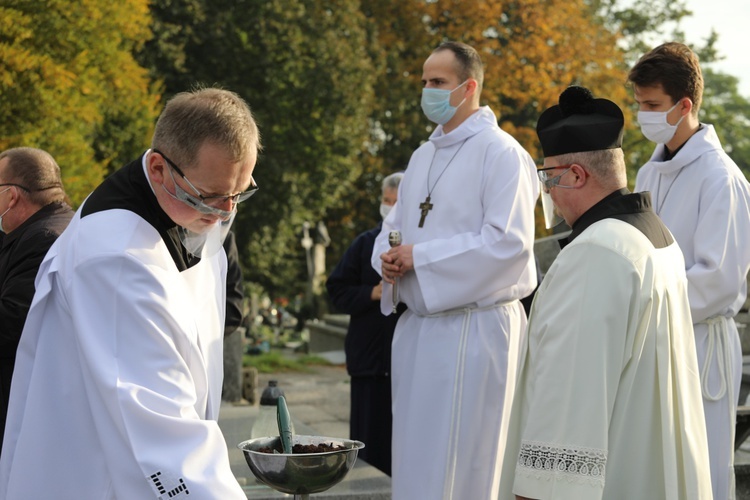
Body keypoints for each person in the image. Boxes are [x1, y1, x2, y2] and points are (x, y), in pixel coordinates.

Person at [0, 88, 260, 499]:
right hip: (95, 473)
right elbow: (158, 429)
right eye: (210, 197)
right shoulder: (114, 258)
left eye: (240, 193)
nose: (226, 212)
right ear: (158, 168)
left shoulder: (191, 203)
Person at [499, 85, 713, 500]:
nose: (549, 193)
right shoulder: (657, 235)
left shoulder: (596, 253)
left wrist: (536, 492)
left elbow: (572, 397)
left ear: (576, 175)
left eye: (549, 178)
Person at [372, 41, 539, 499]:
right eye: (425, 82)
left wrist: (419, 257)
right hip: (420, 333)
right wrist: (387, 260)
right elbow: (392, 230)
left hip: (477, 331)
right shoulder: (421, 157)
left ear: (468, 87)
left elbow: (510, 245)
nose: (428, 91)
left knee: (471, 464)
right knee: (416, 461)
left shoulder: (502, 154)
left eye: (438, 82)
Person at [629, 41, 750, 500]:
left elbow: (717, 281)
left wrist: (643, 300)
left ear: (685, 105)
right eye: (639, 104)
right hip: (651, 339)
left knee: (697, 473)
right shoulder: (647, 175)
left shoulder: (722, 179)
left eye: (653, 106)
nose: (644, 115)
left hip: (697, 345)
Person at [326, 171, 405, 476]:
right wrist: (372, 292)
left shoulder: (418, 247)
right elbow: (337, 289)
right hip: (369, 362)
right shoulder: (365, 244)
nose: (390, 207)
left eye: (396, 202)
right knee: (367, 449)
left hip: (404, 361)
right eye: (386, 201)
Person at [0, 147, 74, 455]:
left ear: (12, 196)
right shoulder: (58, 225)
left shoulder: (44, 238)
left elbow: (12, 323)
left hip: (28, 410)